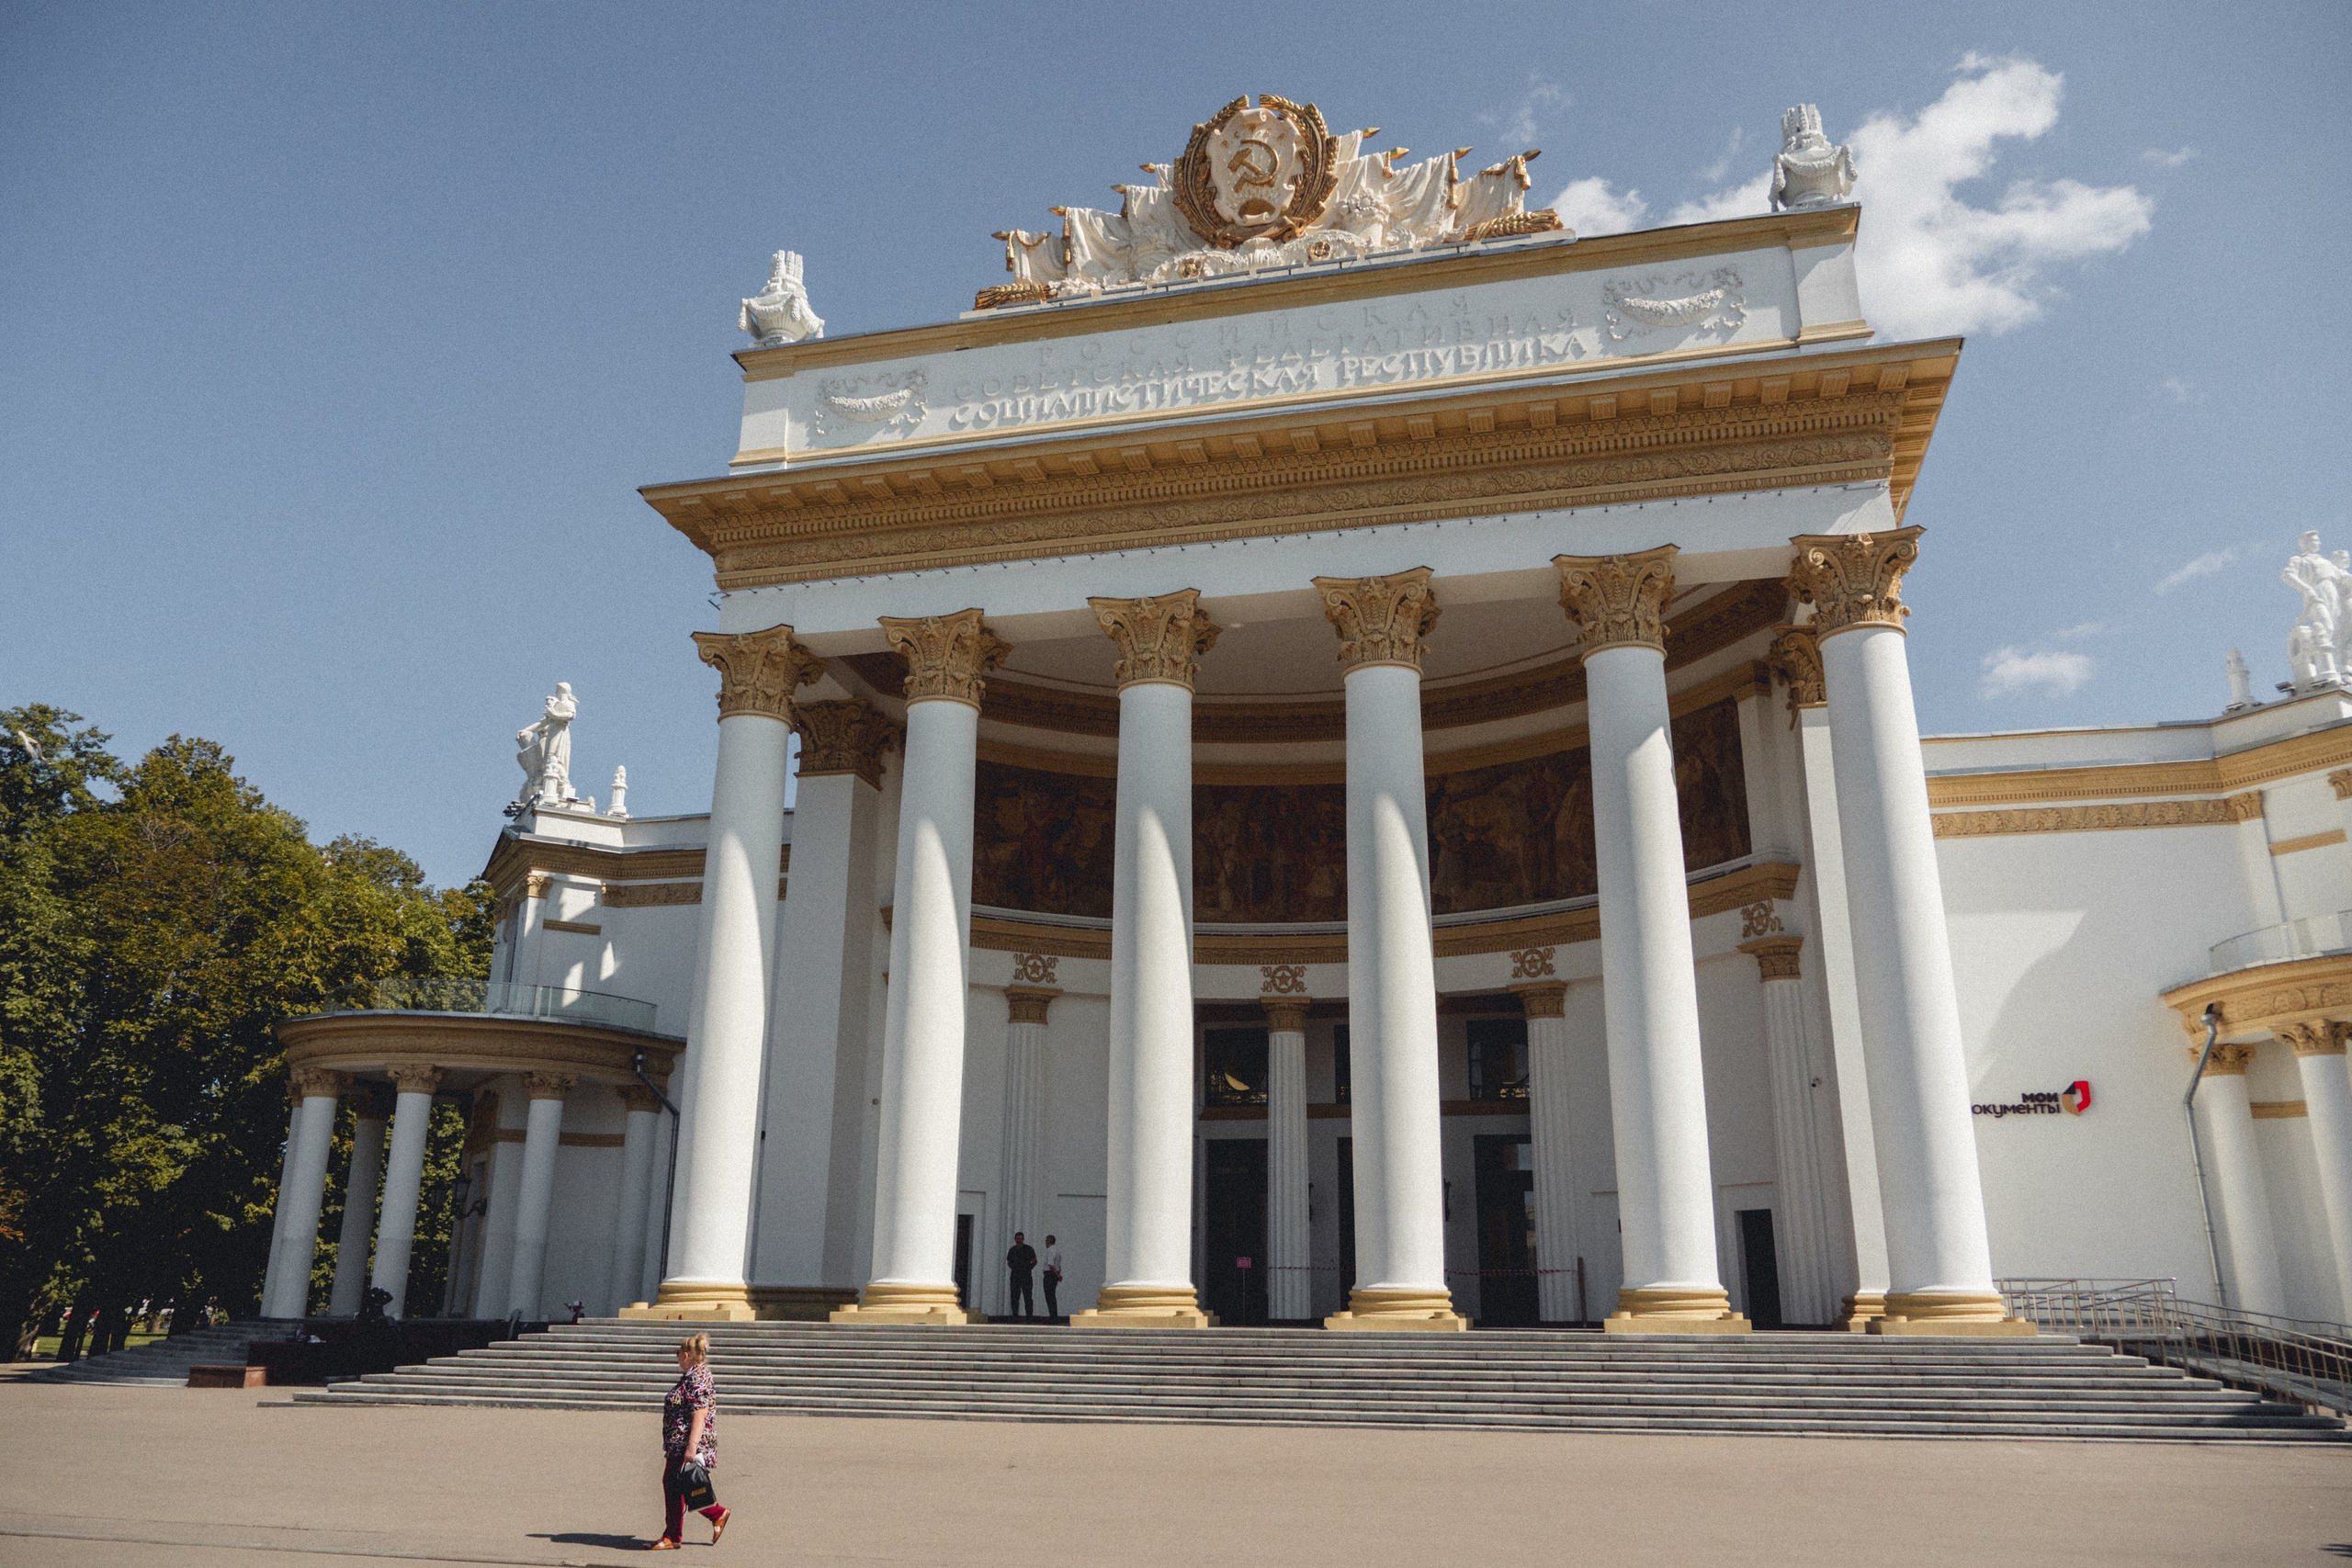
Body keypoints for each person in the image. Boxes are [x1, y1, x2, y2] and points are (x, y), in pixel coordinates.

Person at [652, 1333, 729, 1550]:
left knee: (675, 1484)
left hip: (687, 1443)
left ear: (686, 1355)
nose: (677, 1357)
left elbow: (700, 1413)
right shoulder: (692, 1375)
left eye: (677, 1353)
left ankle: (676, 1533)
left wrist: (691, 1447)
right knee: (678, 1485)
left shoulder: (697, 1378)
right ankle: (676, 1534)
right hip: (679, 1442)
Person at [1006, 1232, 1038, 1320]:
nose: (1019, 1241)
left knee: (1028, 1297)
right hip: (1015, 1277)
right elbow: (1008, 1262)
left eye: (1021, 1239)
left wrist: (1029, 1268)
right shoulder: (1012, 1250)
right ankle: (1015, 1317)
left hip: (1026, 1277)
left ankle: (1029, 1317)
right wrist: (1015, 1268)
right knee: (1014, 1297)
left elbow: (1035, 1261)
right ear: (1015, 1239)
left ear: (1023, 1239)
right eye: (1017, 1239)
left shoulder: (1029, 1249)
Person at [1040, 1235, 1064, 1321]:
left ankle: (1053, 1317)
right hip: (1054, 1275)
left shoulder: (1050, 1250)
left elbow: (1051, 1265)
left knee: (1049, 1296)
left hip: (1049, 1274)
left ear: (1048, 1241)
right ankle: (1054, 1316)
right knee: (1052, 1296)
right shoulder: (1057, 1251)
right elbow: (1059, 1266)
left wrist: (1057, 1275)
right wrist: (1058, 1275)